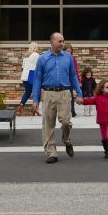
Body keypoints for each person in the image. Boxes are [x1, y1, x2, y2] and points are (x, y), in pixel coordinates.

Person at [30, 31, 82, 163]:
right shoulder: (42, 58)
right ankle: (51, 152)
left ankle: (66, 140)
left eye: (63, 41)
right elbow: (37, 80)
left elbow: (73, 76)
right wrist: (35, 100)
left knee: (65, 122)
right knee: (48, 124)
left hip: (65, 93)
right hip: (48, 93)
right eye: (60, 41)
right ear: (52, 42)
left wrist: (79, 93)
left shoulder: (68, 57)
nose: (62, 44)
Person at [78, 78, 108, 159]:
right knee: (104, 137)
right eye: (107, 87)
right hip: (101, 121)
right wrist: (81, 101)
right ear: (102, 88)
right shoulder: (98, 98)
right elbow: (88, 101)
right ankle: (106, 151)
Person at [19, 41, 41, 114]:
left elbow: (23, 67)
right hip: (32, 76)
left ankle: (21, 105)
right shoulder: (36, 55)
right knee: (37, 92)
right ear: (35, 47)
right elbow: (40, 66)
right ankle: (36, 109)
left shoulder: (26, 56)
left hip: (24, 76)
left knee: (27, 92)